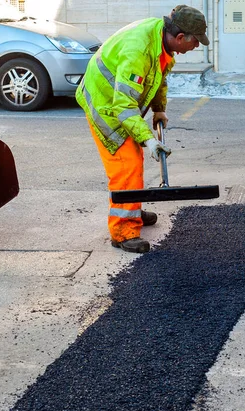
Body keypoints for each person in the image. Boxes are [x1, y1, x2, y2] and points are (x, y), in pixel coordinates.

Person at [76, 5, 209, 254]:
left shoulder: (161, 41)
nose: (197, 47)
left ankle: (132, 208)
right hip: (105, 105)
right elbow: (123, 107)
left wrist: (159, 109)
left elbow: (157, 78)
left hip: (119, 102)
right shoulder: (138, 50)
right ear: (180, 37)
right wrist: (148, 139)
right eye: (195, 42)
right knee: (126, 166)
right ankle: (123, 231)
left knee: (135, 161)